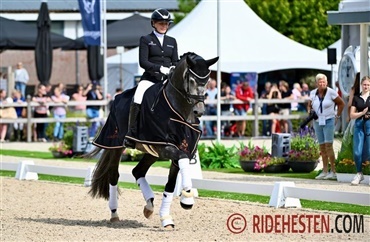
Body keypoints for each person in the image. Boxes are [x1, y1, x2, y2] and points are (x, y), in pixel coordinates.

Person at [124, 8, 178, 148]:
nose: (164, 26)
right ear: (153, 23)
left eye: (166, 23)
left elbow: (175, 61)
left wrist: (174, 68)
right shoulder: (146, 40)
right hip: (150, 79)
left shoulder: (172, 41)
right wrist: (159, 69)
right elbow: (143, 62)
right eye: (161, 23)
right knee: (138, 96)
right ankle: (132, 133)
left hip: (167, 80)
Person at [308, 73, 345, 180]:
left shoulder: (331, 92)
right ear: (316, 83)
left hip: (329, 120)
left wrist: (337, 116)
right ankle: (324, 171)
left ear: (327, 82)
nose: (322, 84)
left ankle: (333, 171)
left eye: (324, 82)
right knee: (322, 146)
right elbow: (309, 105)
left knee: (329, 145)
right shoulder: (313, 93)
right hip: (317, 121)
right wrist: (310, 112)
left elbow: (341, 103)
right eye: (320, 82)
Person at [349, 76, 370, 185]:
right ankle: (359, 173)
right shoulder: (357, 98)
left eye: (368, 85)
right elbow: (352, 115)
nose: (366, 86)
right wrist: (362, 113)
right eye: (364, 84)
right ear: (361, 85)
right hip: (359, 124)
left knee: (369, 151)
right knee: (357, 152)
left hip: (369, 124)